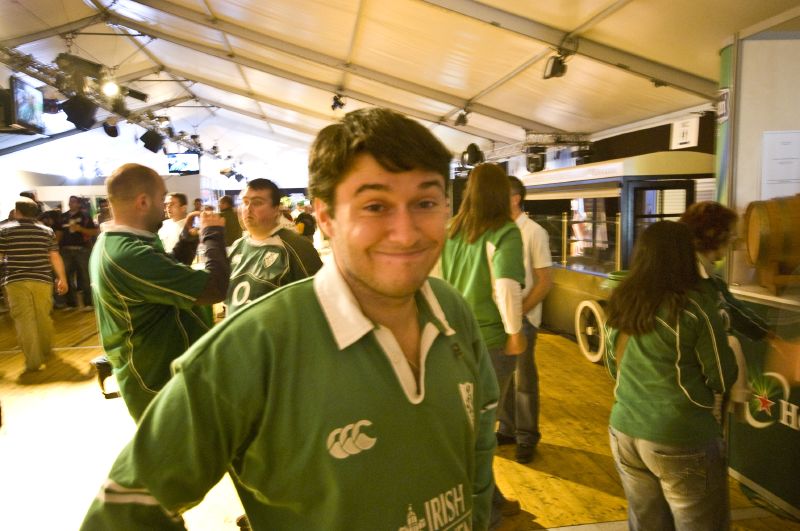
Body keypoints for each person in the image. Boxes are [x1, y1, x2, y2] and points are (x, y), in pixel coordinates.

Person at [81, 108, 499, 530]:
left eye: (426, 202)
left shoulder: (451, 309)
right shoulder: (247, 350)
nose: (406, 232)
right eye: (375, 205)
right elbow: (122, 513)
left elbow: (480, 442)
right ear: (325, 216)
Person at [603, 221, 737, 531]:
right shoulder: (694, 307)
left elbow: (614, 366)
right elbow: (721, 374)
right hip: (681, 434)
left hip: (624, 429)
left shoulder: (623, 301)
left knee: (647, 524)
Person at [89, 163, 230, 421]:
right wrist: (213, 236)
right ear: (143, 202)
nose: (165, 207)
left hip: (166, 375)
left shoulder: (123, 242)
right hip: (158, 383)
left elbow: (166, 275)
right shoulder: (128, 255)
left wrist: (188, 238)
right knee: (184, 457)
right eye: (162, 198)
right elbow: (215, 289)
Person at [439, 163, 526, 526]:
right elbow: (506, 287)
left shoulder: (452, 231)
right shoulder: (505, 232)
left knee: (465, 425)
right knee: (482, 429)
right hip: (489, 341)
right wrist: (515, 332)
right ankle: (485, 513)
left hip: (451, 341)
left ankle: (492, 496)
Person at [495, 176, 553, 463]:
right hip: (502, 318)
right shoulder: (498, 231)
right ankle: (507, 428)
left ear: (516, 198)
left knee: (524, 381)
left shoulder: (534, 232)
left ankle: (528, 436)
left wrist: (519, 313)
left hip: (524, 319)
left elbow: (544, 282)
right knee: (504, 378)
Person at [226, 178, 322, 315]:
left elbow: (321, 302)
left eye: (257, 203)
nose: (248, 208)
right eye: (245, 202)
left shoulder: (297, 247)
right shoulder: (237, 246)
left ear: (276, 209)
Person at [0, 196, 68, 373]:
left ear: (17, 212)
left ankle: (33, 361)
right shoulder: (46, 231)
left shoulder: (4, 230)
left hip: (15, 280)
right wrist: (62, 278)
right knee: (43, 316)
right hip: (42, 279)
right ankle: (46, 351)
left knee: (24, 320)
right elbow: (54, 255)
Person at [56, 195, 98, 310]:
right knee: (66, 276)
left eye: (73, 202)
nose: (71, 204)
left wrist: (80, 229)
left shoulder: (85, 216)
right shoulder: (63, 217)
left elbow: (94, 231)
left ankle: (88, 303)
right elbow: (59, 233)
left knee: (85, 276)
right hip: (66, 250)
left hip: (82, 250)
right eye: (70, 201)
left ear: (79, 204)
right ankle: (71, 303)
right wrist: (55, 247)